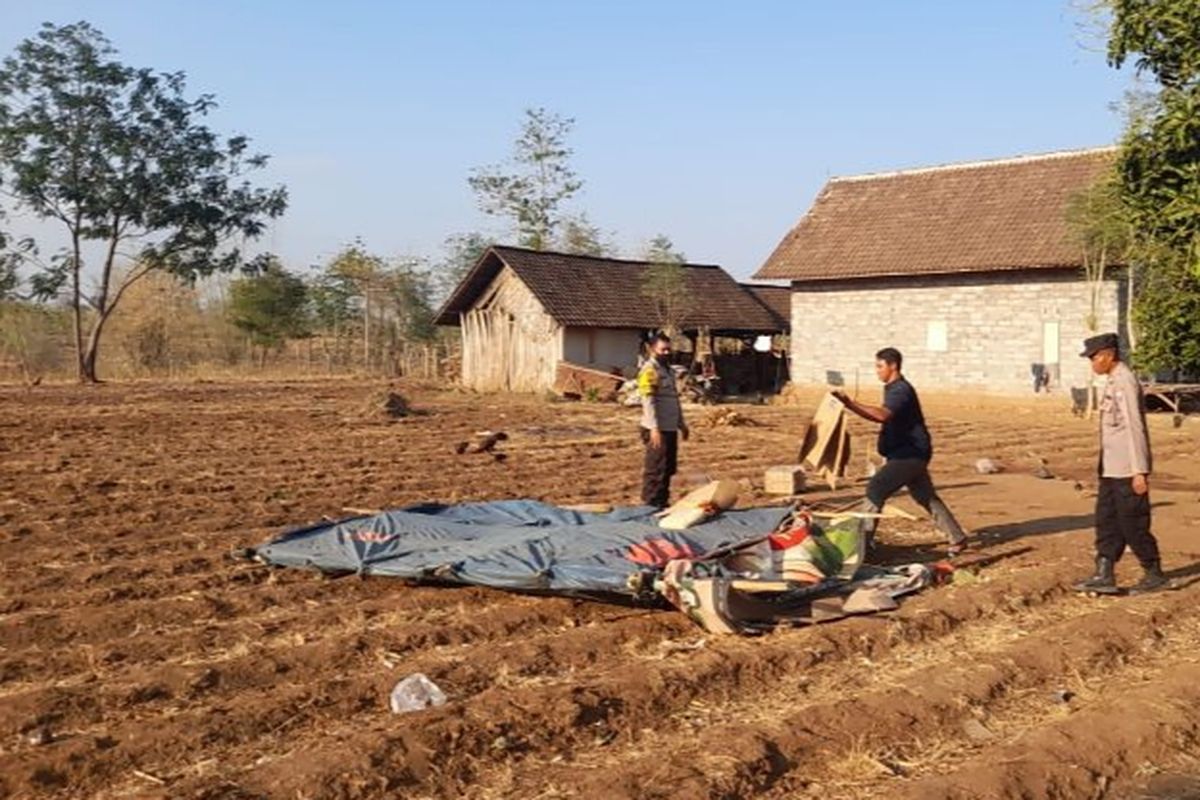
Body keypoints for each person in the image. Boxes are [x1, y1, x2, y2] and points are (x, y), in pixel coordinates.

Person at [832, 347, 967, 556]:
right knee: (926, 496)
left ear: (893, 366)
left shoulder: (900, 390)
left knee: (875, 488)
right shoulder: (893, 388)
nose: (877, 371)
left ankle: (861, 545)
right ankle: (957, 537)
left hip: (910, 455)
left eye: (880, 366)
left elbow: (882, 415)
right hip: (908, 453)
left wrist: (850, 403)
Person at [1073, 333, 1166, 594]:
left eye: (1094, 357)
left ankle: (1153, 572)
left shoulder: (1124, 381)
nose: (1092, 363)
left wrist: (1140, 471)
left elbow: (1135, 428)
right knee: (1106, 520)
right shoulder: (1113, 380)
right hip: (1110, 467)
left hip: (1127, 468)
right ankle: (1104, 572)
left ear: (1109, 355)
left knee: (1132, 523)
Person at [638, 333, 689, 508]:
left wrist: (681, 423)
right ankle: (650, 505)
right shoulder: (649, 371)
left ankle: (662, 502)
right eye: (663, 349)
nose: (667, 352)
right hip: (657, 429)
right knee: (656, 469)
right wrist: (654, 428)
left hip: (669, 427)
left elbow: (673, 399)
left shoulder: (667, 370)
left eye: (669, 349)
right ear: (652, 349)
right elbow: (648, 401)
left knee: (668, 468)